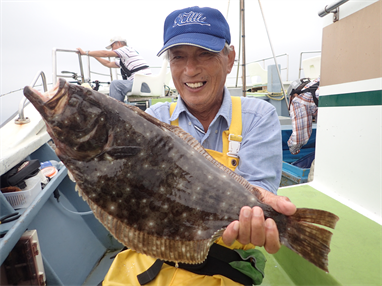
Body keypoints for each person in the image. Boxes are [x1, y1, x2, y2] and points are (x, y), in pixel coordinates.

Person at [102, 6, 296, 286]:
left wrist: (260, 214)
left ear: (229, 60)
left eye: (204, 54)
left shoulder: (258, 116)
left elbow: (259, 192)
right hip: (148, 260)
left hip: (224, 263)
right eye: (178, 57)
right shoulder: (153, 120)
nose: (190, 70)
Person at [77, 36, 152, 102]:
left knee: (115, 84)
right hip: (143, 84)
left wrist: (85, 53)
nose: (112, 50)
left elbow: (105, 54)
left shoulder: (126, 49)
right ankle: (121, 108)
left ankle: (115, 110)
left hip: (143, 84)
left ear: (119, 43)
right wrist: (94, 55)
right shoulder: (125, 59)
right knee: (118, 85)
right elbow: (108, 64)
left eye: (112, 47)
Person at [287, 77, 320, 155]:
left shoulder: (300, 99)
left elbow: (299, 138)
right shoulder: (320, 82)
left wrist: (293, 149)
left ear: (294, 95)